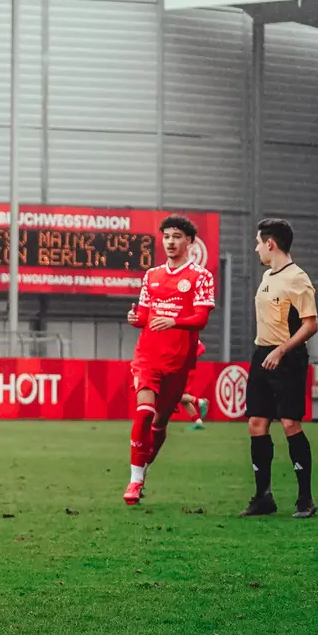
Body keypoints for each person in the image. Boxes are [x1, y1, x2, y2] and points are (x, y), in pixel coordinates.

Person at [122, 215, 215, 505]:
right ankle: (134, 480)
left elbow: (201, 319)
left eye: (176, 237)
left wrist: (173, 321)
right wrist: (135, 318)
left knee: (159, 423)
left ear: (190, 241)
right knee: (144, 412)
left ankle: (143, 470)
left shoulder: (201, 277)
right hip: (147, 356)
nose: (171, 242)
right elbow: (145, 317)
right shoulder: (151, 276)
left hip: (178, 361)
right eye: (166, 237)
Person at [242, 218, 318, 518]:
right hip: (262, 354)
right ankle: (264, 498)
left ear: (270, 243)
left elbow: (311, 324)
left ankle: (305, 500)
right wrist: (268, 351)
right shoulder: (266, 276)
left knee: (289, 423)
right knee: (256, 423)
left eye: (258, 243)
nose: (256, 248)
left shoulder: (298, 278)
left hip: (288, 358)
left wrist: (281, 350)